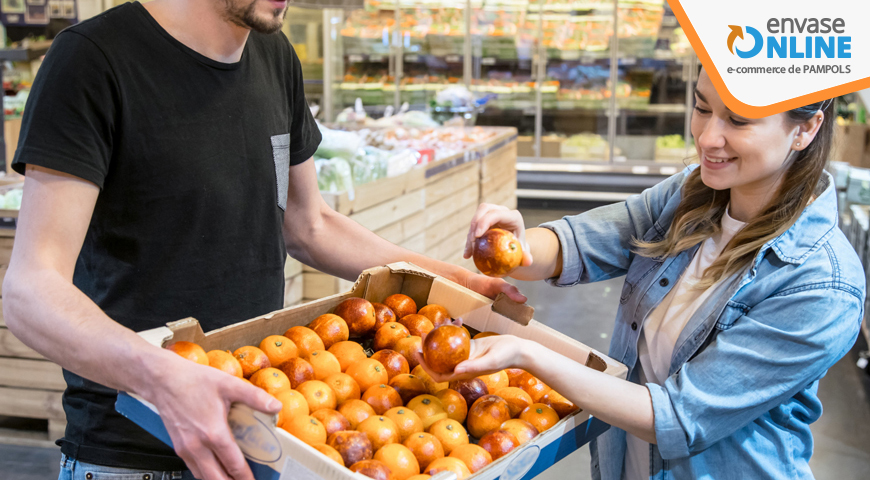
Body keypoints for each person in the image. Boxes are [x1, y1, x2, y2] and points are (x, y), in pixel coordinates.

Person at [1, 1, 524, 479]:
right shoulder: (93, 60)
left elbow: (309, 224)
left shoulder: (274, 54)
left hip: (263, 437)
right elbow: (30, 290)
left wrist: (452, 280)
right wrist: (160, 377)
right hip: (133, 451)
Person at [419, 69, 865, 480]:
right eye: (702, 107)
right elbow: (578, 243)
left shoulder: (821, 285)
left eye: (739, 120)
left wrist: (529, 353)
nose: (708, 137)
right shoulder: (692, 193)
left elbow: (677, 417)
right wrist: (515, 246)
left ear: (805, 128)